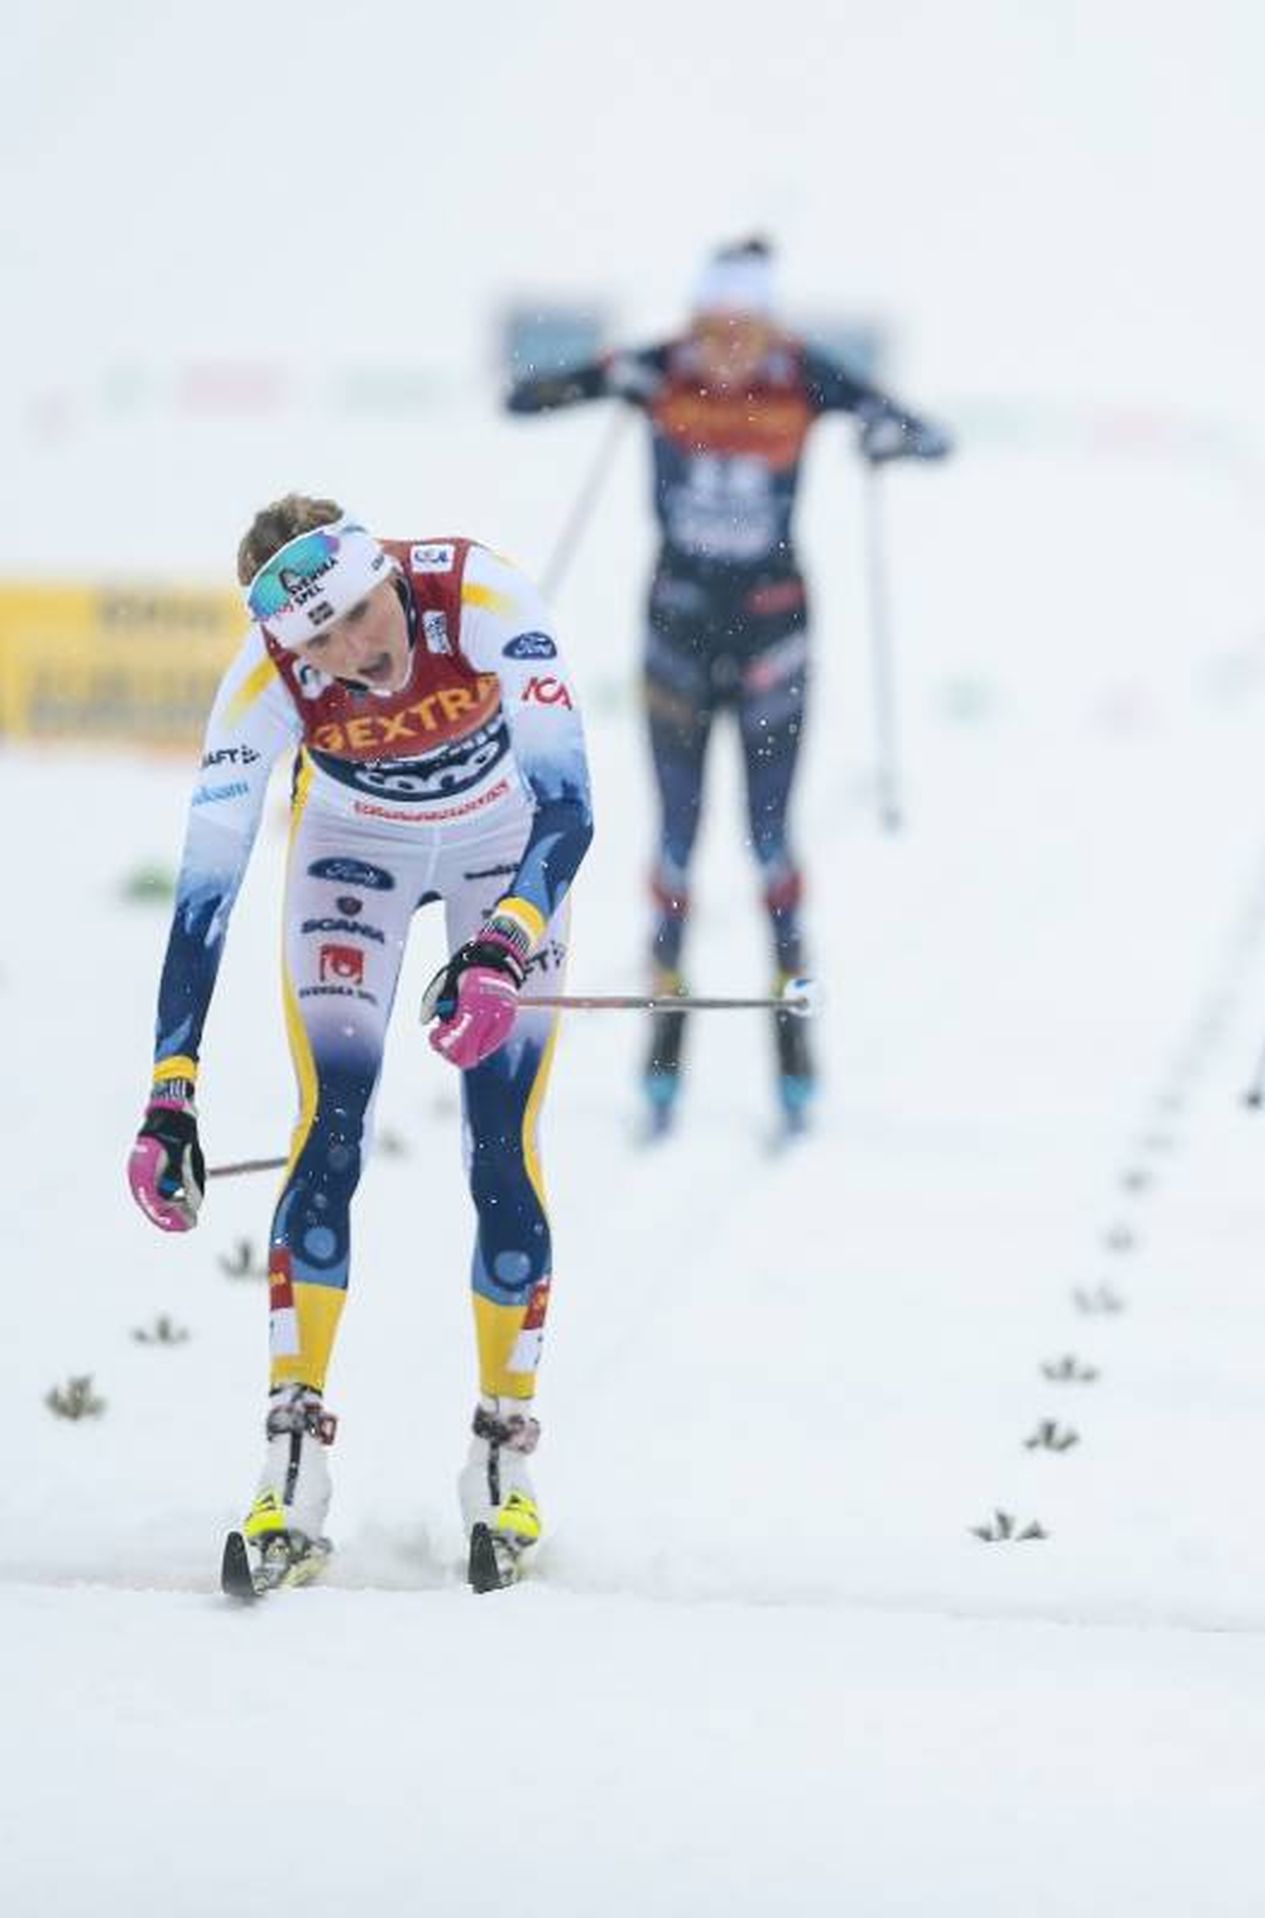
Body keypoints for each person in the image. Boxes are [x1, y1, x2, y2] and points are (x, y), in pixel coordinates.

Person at [126, 496, 594, 1595]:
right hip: (354, 853)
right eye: (315, 642)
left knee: (499, 1142)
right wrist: (169, 1093)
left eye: (357, 616)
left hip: (503, 842)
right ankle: (293, 1460)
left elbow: (571, 808)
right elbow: (208, 889)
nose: (351, 653)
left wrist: (504, 944)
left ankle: (500, 1454)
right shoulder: (263, 678)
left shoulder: (477, 594)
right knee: (329, 1131)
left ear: (390, 574)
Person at [504, 235, 950, 1136]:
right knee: (675, 843)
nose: (728, 348)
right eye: (714, 327)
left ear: (770, 323)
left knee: (769, 844)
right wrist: (605, 383)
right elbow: (525, 399)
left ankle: (793, 1031)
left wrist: (886, 436)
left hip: (776, 636)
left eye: (744, 328)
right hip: (675, 632)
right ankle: (665, 1038)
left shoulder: (803, 375)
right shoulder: (658, 367)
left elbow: (933, 436)